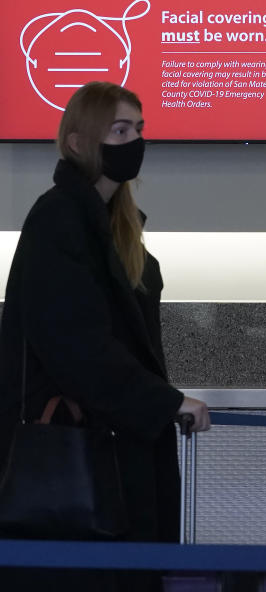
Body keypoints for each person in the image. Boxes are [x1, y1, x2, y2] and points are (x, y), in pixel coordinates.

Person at [0, 81, 210, 590]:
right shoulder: (60, 220)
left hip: (110, 463)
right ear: (78, 142)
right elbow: (76, 347)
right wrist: (163, 402)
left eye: (139, 129)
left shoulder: (113, 228)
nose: (134, 141)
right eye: (119, 130)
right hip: (85, 469)